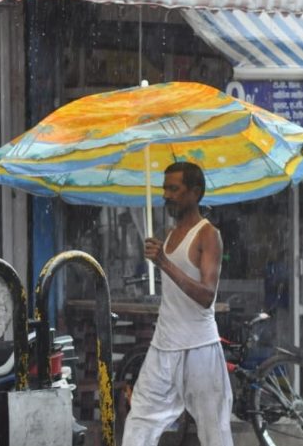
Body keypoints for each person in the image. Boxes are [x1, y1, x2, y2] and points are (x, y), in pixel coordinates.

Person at [122, 162, 233, 446]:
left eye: (174, 189)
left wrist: (163, 263)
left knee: (214, 432)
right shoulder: (170, 235)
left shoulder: (209, 235)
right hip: (164, 345)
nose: (167, 195)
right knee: (140, 421)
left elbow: (207, 295)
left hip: (200, 348)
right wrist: (162, 260)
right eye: (165, 189)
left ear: (195, 192)